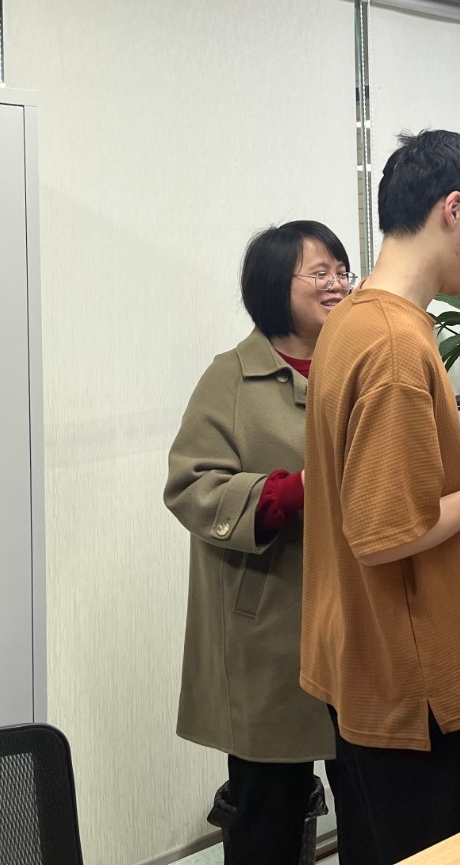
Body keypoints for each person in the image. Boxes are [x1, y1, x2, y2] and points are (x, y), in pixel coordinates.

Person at [298, 130, 460, 865]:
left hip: (363, 666)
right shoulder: (397, 346)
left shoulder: (353, 321)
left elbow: (368, 483)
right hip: (418, 688)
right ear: (452, 209)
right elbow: (385, 534)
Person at [164, 221, 355, 865]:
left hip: (357, 620)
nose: (336, 284)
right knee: (267, 813)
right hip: (268, 625)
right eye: (319, 272)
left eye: (342, 271)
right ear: (275, 285)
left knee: (368, 802)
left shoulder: (356, 366)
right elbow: (190, 486)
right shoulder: (230, 377)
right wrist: (291, 491)